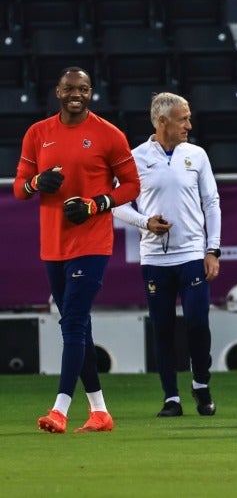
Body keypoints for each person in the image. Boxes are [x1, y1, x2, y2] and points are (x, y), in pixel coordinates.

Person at [13, 67, 140, 433]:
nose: (76, 94)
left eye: (83, 89)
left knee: (70, 323)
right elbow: (20, 187)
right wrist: (37, 182)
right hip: (53, 244)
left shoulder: (108, 134)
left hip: (92, 242)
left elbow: (131, 185)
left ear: (90, 93)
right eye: (70, 88)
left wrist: (97, 203)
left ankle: (60, 410)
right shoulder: (38, 133)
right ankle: (100, 412)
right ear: (58, 91)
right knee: (80, 326)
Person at [113, 92, 221, 418]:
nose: (189, 124)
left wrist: (212, 249)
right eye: (183, 119)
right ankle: (171, 397)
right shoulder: (134, 158)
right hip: (155, 259)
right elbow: (116, 203)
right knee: (161, 328)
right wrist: (144, 222)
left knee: (198, 323)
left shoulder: (197, 155)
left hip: (191, 254)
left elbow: (211, 202)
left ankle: (201, 383)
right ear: (162, 122)